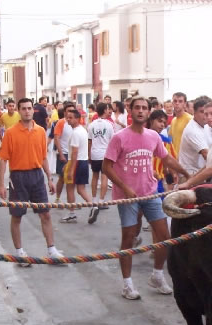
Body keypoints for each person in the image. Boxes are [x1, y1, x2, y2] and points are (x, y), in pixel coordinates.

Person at [102, 96, 190, 300]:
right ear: (130, 111)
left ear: (149, 112)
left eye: (144, 108)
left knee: (164, 236)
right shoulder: (119, 137)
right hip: (127, 198)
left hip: (150, 193)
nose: (140, 111)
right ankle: (127, 284)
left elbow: (165, 157)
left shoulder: (153, 136)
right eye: (137, 108)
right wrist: (125, 187)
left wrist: (185, 172)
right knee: (128, 238)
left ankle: (157, 276)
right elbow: (106, 167)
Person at [0, 98, 63, 265]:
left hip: (37, 176)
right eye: (24, 108)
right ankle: (19, 252)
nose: (27, 111)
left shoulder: (40, 131)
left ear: (33, 110)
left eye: (29, 108)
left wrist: (49, 179)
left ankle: (52, 250)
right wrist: (1, 184)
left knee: (45, 214)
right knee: (17, 216)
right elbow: (3, 160)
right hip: (18, 177)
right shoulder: (10, 133)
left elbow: (43, 157)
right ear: (19, 111)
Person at [61, 109, 97, 224]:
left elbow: (74, 152)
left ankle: (72, 214)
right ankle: (93, 206)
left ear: (77, 119)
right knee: (81, 189)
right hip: (83, 162)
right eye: (67, 117)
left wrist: (71, 169)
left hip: (77, 162)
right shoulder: (82, 130)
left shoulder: (76, 133)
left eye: (71, 118)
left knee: (69, 188)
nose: (68, 120)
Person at [88, 102, 114, 208]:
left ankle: (94, 200)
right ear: (104, 110)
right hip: (105, 154)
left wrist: (89, 155)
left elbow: (89, 141)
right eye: (107, 109)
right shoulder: (109, 125)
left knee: (94, 176)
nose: (109, 111)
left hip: (94, 153)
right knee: (104, 177)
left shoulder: (91, 125)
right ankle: (101, 201)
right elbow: (112, 141)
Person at [177, 97, 210, 180]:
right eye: (202, 112)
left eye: (207, 112)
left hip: (199, 174)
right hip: (190, 176)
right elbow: (207, 155)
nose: (205, 115)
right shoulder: (193, 130)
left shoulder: (206, 125)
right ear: (194, 112)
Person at [53, 102, 76, 201]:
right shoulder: (61, 122)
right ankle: (57, 198)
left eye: (72, 110)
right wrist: (61, 154)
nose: (70, 112)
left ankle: (70, 202)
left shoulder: (77, 122)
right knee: (62, 178)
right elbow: (56, 138)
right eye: (68, 111)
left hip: (73, 154)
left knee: (72, 179)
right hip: (64, 154)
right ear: (65, 112)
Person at [169, 92, 192, 156]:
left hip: (186, 158)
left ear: (185, 104)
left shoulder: (190, 119)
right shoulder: (173, 120)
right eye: (175, 101)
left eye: (180, 101)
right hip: (175, 157)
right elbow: (171, 139)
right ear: (172, 103)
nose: (177, 103)